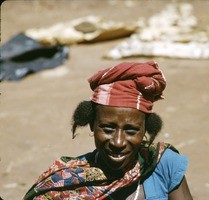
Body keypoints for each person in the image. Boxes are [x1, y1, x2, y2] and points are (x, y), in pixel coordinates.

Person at [24, 61, 193, 200]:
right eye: (107, 128)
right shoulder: (65, 182)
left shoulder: (163, 164)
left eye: (131, 130)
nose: (118, 142)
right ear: (92, 124)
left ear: (144, 130)